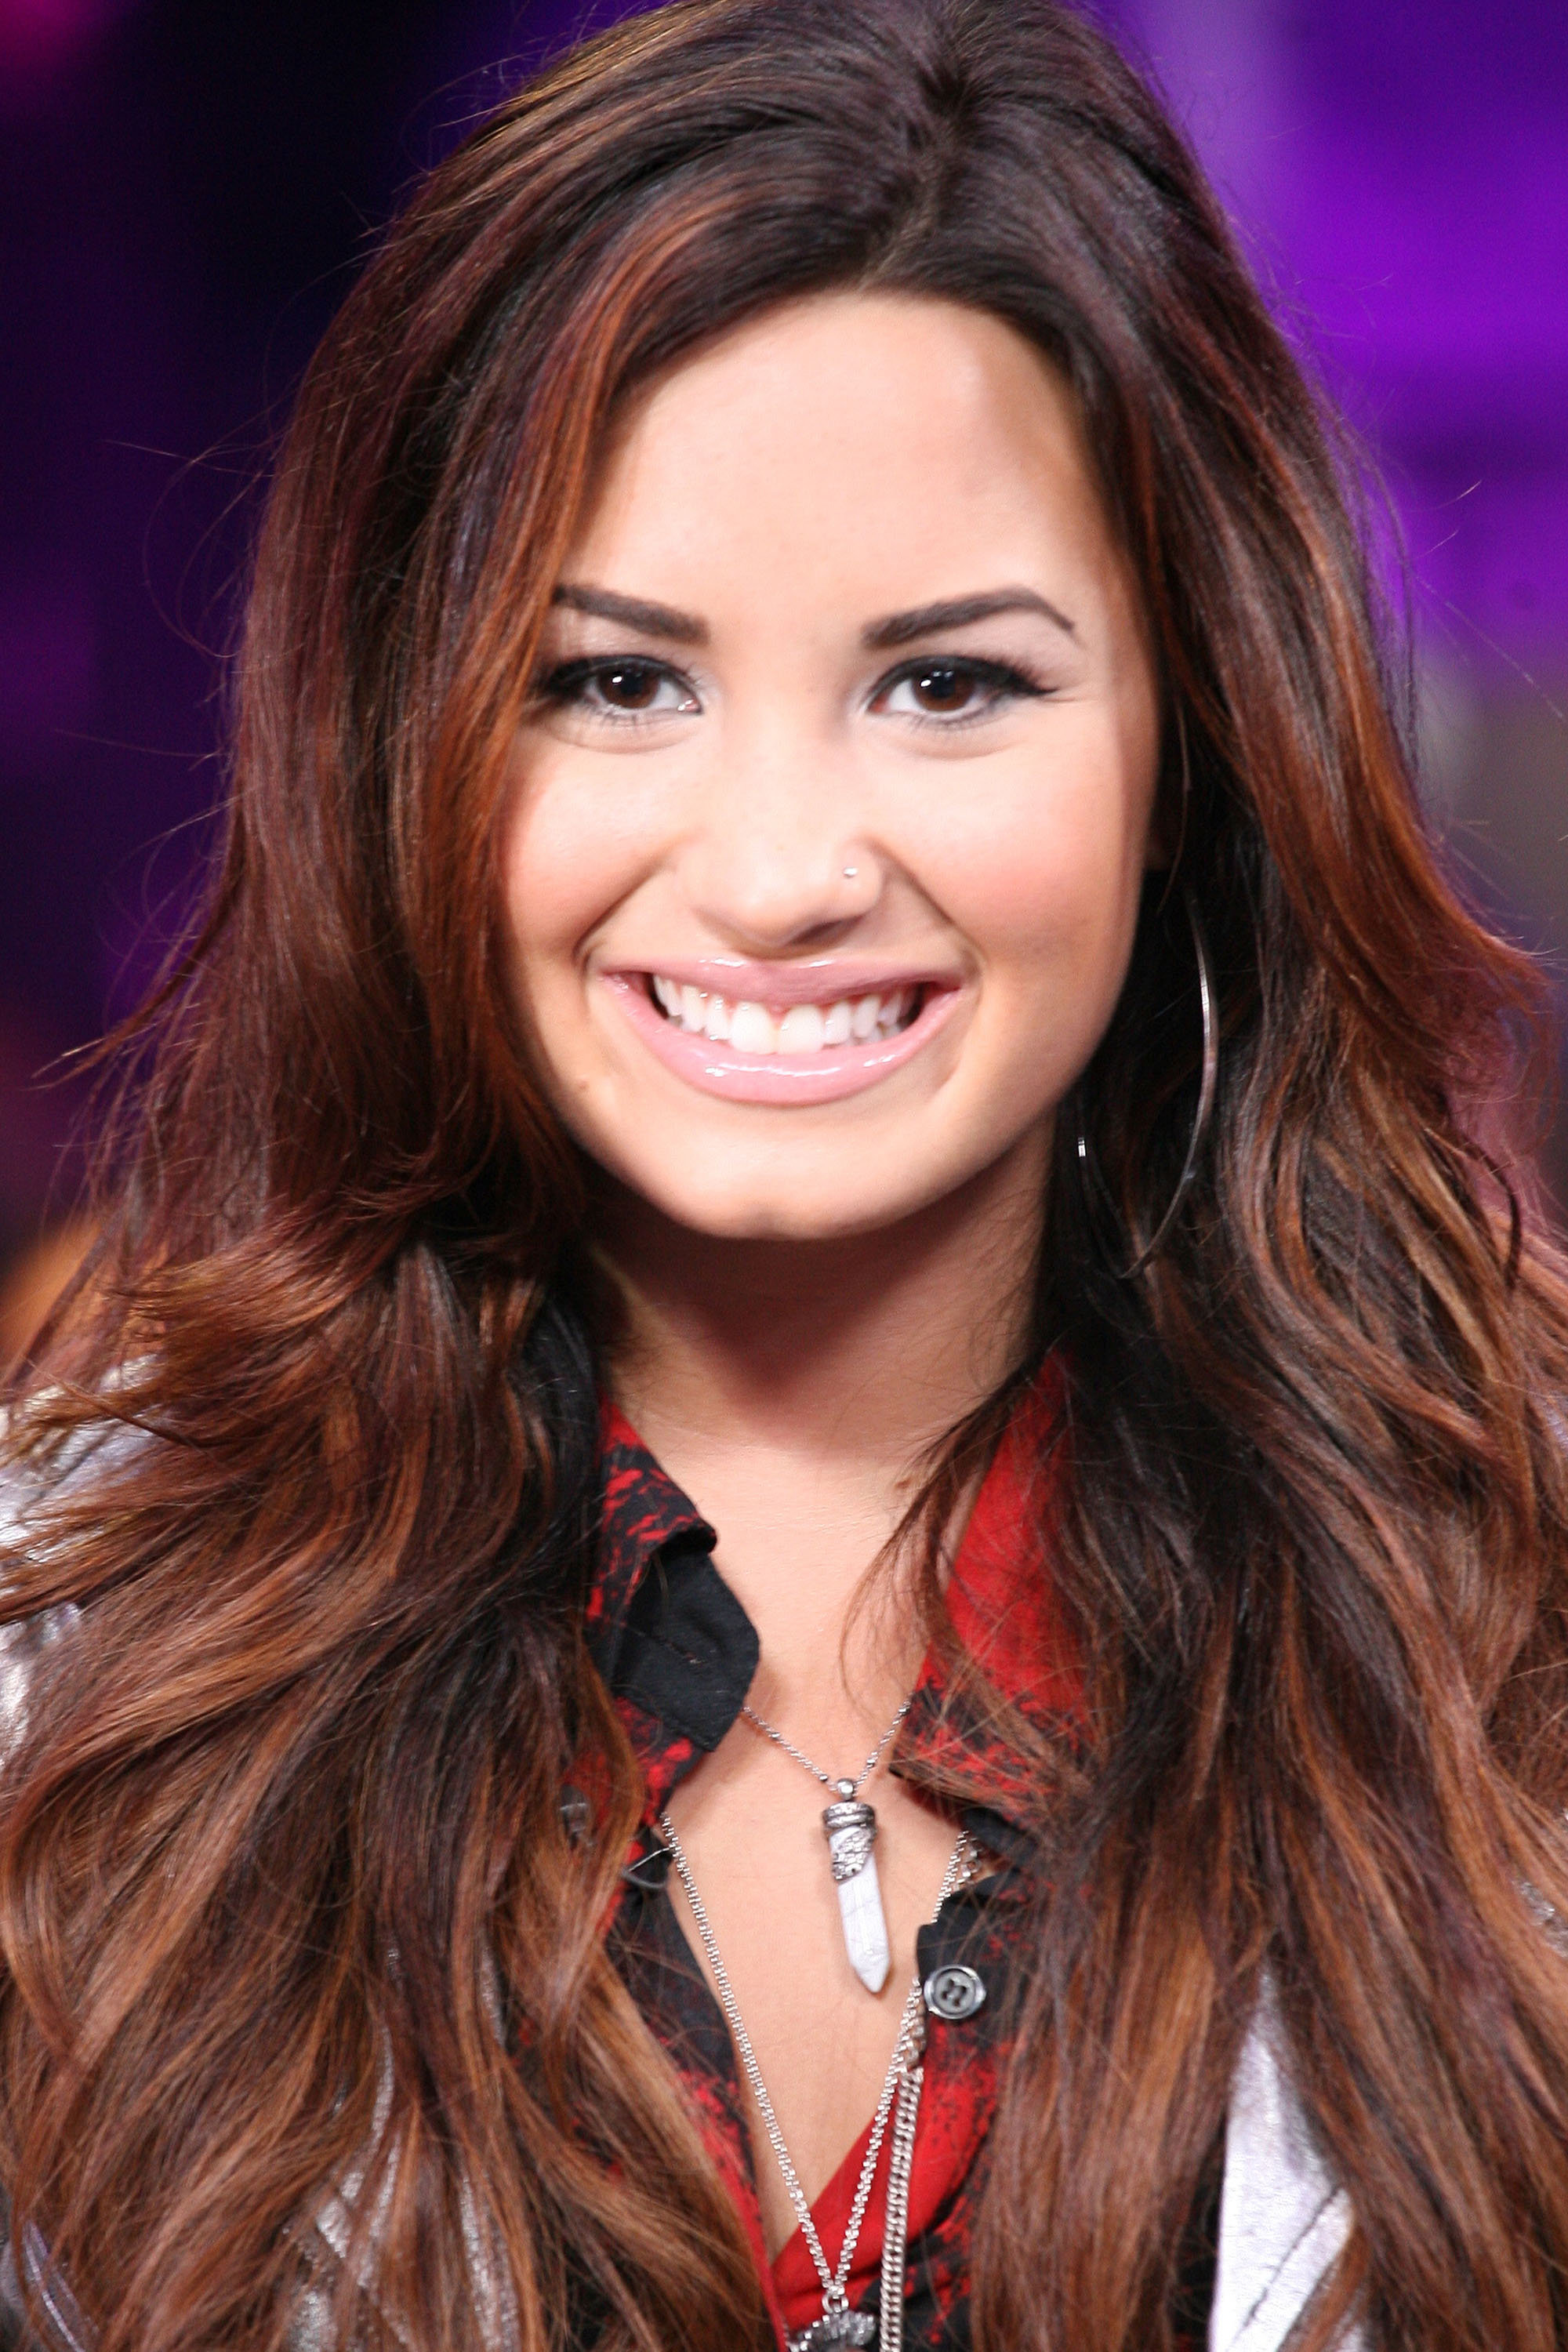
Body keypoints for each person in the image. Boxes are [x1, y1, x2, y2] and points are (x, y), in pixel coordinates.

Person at [2, 2, 1566, 2347]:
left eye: (949, 686)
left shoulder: (1508, 1630)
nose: (778, 872)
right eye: (617, 682)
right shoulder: (79, 1663)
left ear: (1191, 749)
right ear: (412, 744)